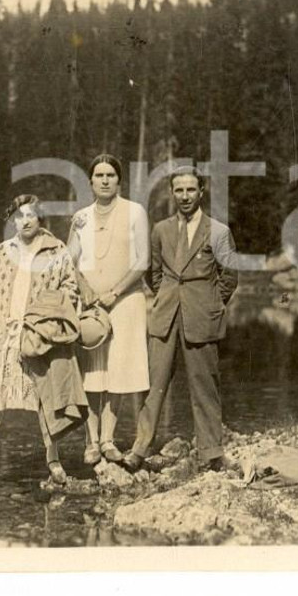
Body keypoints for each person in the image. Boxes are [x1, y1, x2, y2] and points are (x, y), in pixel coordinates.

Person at [0, 195, 87, 485]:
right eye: (18, 216)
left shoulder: (56, 250)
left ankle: (53, 460)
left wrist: (49, 315)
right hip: (6, 334)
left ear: (40, 218)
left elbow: (70, 287)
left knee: (46, 397)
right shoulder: (4, 250)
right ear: (12, 221)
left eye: (30, 215)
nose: (24, 221)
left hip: (39, 336)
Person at [122, 166, 238, 473]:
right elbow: (153, 273)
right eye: (179, 190)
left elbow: (230, 277)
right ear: (172, 193)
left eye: (190, 190)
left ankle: (212, 453)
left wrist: (208, 304)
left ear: (201, 192)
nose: (185, 196)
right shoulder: (161, 230)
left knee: (205, 387)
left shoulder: (218, 231)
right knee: (153, 385)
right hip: (165, 317)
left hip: (201, 319)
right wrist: (167, 297)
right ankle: (139, 449)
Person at [68, 154, 150, 464]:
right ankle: (91, 442)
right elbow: (69, 259)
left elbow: (143, 260)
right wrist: (87, 291)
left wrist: (114, 292)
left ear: (119, 180)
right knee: (92, 371)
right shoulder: (81, 216)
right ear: (90, 181)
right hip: (90, 305)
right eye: (99, 175)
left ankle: (108, 440)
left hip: (125, 301)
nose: (105, 180)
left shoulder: (134, 211)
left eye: (110, 175)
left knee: (118, 369)